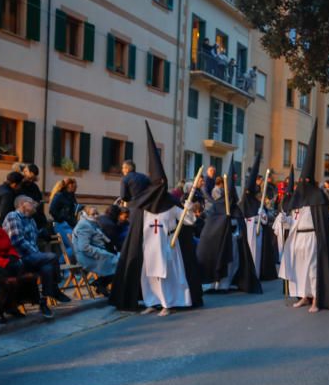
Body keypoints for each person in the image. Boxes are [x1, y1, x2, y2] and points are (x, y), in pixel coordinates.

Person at [109, 123, 204, 315]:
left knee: (167, 276)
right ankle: (152, 302)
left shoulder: (172, 204)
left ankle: (168, 303)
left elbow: (190, 222)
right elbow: (136, 228)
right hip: (149, 246)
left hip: (168, 245)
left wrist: (187, 209)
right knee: (148, 276)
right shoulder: (143, 206)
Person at [277, 121, 329, 313]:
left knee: (312, 271)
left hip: (312, 238)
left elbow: (322, 223)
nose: (301, 183)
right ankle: (304, 296)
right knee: (301, 269)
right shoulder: (298, 200)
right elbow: (293, 219)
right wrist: (283, 220)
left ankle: (316, 300)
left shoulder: (319, 198)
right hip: (298, 239)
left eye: (304, 180)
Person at [195, 159, 262, 294]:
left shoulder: (236, 209)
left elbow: (239, 224)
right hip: (219, 242)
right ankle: (214, 284)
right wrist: (223, 222)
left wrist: (234, 226)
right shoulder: (217, 206)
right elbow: (211, 225)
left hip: (233, 240)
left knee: (232, 264)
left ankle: (226, 283)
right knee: (218, 262)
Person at [3, 195, 71, 319]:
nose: (35, 204)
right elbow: (17, 240)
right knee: (52, 256)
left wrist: (42, 234)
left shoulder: (31, 219)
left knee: (48, 268)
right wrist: (37, 253)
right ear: (22, 204)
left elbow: (31, 238)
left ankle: (43, 303)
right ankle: (54, 290)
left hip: (32, 257)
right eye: (31, 202)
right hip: (20, 258)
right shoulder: (13, 216)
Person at [240, 151, 278, 281]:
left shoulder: (258, 203)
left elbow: (265, 220)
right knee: (249, 252)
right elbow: (242, 216)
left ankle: (256, 274)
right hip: (248, 228)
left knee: (257, 252)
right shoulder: (244, 202)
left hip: (258, 230)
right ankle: (248, 275)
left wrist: (262, 214)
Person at [72, 206, 118, 295]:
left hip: (94, 254)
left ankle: (100, 284)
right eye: (93, 214)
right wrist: (103, 254)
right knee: (119, 263)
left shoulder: (92, 223)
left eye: (97, 213)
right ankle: (101, 284)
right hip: (86, 257)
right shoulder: (84, 225)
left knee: (120, 261)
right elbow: (84, 247)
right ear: (86, 215)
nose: (96, 216)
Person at [48, 177, 79, 253]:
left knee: (77, 246)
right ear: (69, 186)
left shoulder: (71, 196)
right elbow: (52, 210)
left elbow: (73, 209)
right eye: (74, 186)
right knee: (73, 246)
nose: (75, 189)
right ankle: (61, 263)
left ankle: (67, 262)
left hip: (70, 224)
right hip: (61, 224)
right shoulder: (59, 196)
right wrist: (62, 219)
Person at [19, 163, 48, 231]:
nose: (24, 173)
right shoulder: (21, 186)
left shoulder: (34, 187)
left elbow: (39, 201)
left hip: (35, 216)